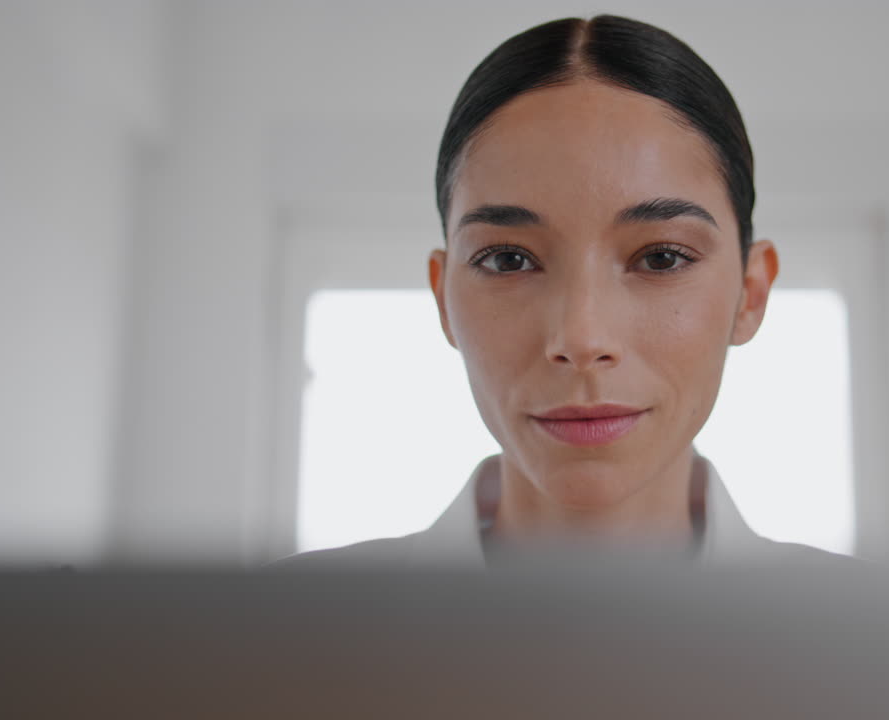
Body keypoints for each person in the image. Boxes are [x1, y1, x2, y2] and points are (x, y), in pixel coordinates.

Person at [273, 14, 852, 570]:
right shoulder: (283, 636)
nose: (581, 338)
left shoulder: (871, 649)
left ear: (750, 294)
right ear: (443, 297)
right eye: (508, 259)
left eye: (661, 257)